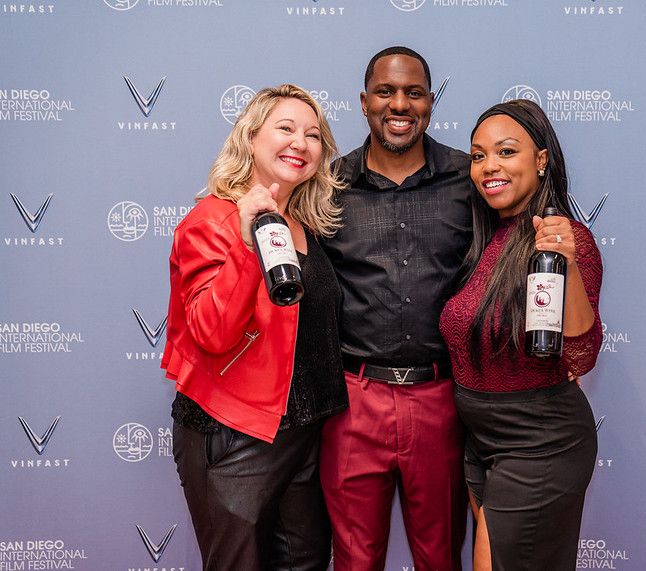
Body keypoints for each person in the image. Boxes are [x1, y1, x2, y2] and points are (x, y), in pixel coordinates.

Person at [161, 84, 348, 570]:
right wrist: (245, 248)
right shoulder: (211, 219)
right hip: (236, 436)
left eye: (312, 135)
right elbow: (211, 332)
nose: (300, 143)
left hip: (303, 433)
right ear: (249, 139)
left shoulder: (301, 224)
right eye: (285, 128)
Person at [319, 46, 472, 570]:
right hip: (353, 401)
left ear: (431, 101)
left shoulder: (468, 180)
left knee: (440, 558)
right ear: (364, 102)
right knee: (355, 560)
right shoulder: (328, 185)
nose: (399, 104)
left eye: (413, 92)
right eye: (386, 92)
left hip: (441, 402)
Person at [439, 99, 603, 571]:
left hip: (539, 441)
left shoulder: (564, 241)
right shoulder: (487, 239)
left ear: (541, 159)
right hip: (481, 439)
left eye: (506, 152)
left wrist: (566, 263)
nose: (489, 166)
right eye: (477, 155)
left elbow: (580, 354)